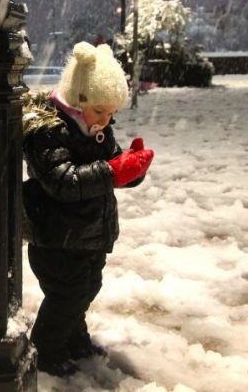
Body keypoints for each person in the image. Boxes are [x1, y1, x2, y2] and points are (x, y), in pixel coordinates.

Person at [21, 42, 154, 377]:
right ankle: (48, 349)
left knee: (87, 288)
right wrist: (112, 172)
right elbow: (62, 182)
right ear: (78, 100)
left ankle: (75, 337)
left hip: (89, 234)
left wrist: (131, 170)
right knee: (66, 295)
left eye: (112, 113)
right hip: (58, 237)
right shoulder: (49, 131)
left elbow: (112, 169)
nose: (106, 120)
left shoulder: (96, 128)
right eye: (100, 111)